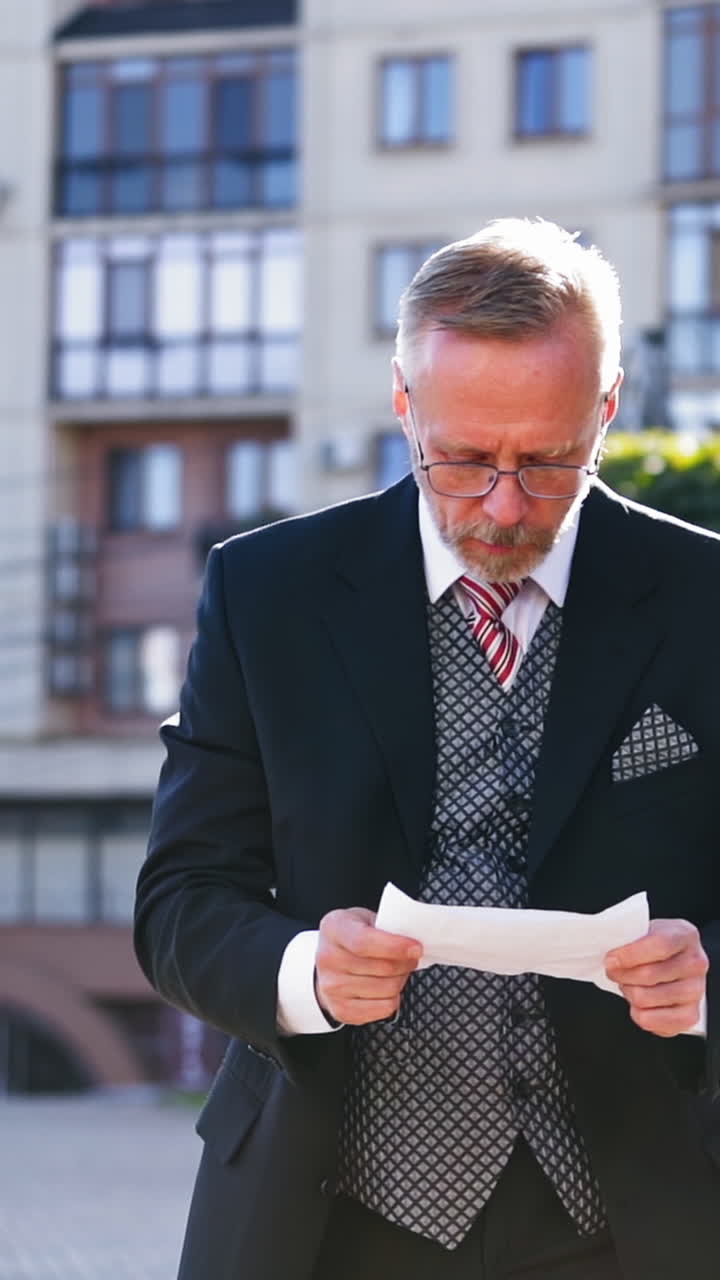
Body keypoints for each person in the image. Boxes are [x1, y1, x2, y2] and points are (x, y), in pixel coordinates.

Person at [134, 219, 720, 1280]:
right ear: (405, 403)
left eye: (548, 462)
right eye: (462, 459)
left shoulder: (707, 598)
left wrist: (708, 974)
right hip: (326, 1220)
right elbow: (181, 898)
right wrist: (307, 969)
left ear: (608, 406)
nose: (503, 506)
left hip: (637, 1217)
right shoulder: (268, 593)